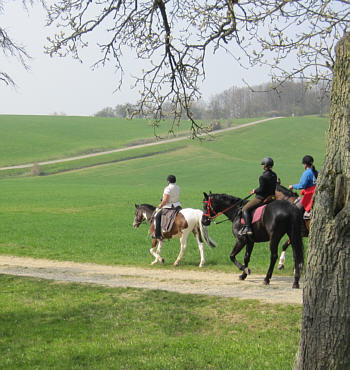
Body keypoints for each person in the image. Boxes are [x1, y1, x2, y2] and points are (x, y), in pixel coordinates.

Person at [240, 157, 278, 236]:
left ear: (265, 166)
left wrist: (254, 191)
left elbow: (261, 189)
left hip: (261, 198)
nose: (262, 166)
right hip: (271, 197)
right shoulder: (274, 175)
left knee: (245, 209)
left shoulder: (263, 177)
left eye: (263, 164)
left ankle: (248, 228)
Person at [154, 175, 182, 239]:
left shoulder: (167, 188)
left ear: (168, 181)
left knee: (157, 216)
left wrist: (160, 205)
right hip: (178, 206)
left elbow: (165, 200)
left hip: (169, 206)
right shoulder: (178, 187)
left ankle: (157, 234)